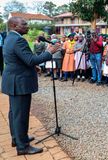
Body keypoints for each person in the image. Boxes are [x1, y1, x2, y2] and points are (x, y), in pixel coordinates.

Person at [1, 17, 59, 155]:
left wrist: (34, 67)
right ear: (15, 26)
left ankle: (17, 138)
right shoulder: (18, 40)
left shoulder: (10, 38)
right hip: (19, 82)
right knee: (20, 114)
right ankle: (23, 147)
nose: (28, 26)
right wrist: (49, 52)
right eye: (24, 23)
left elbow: (18, 60)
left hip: (13, 79)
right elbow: (30, 59)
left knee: (14, 113)